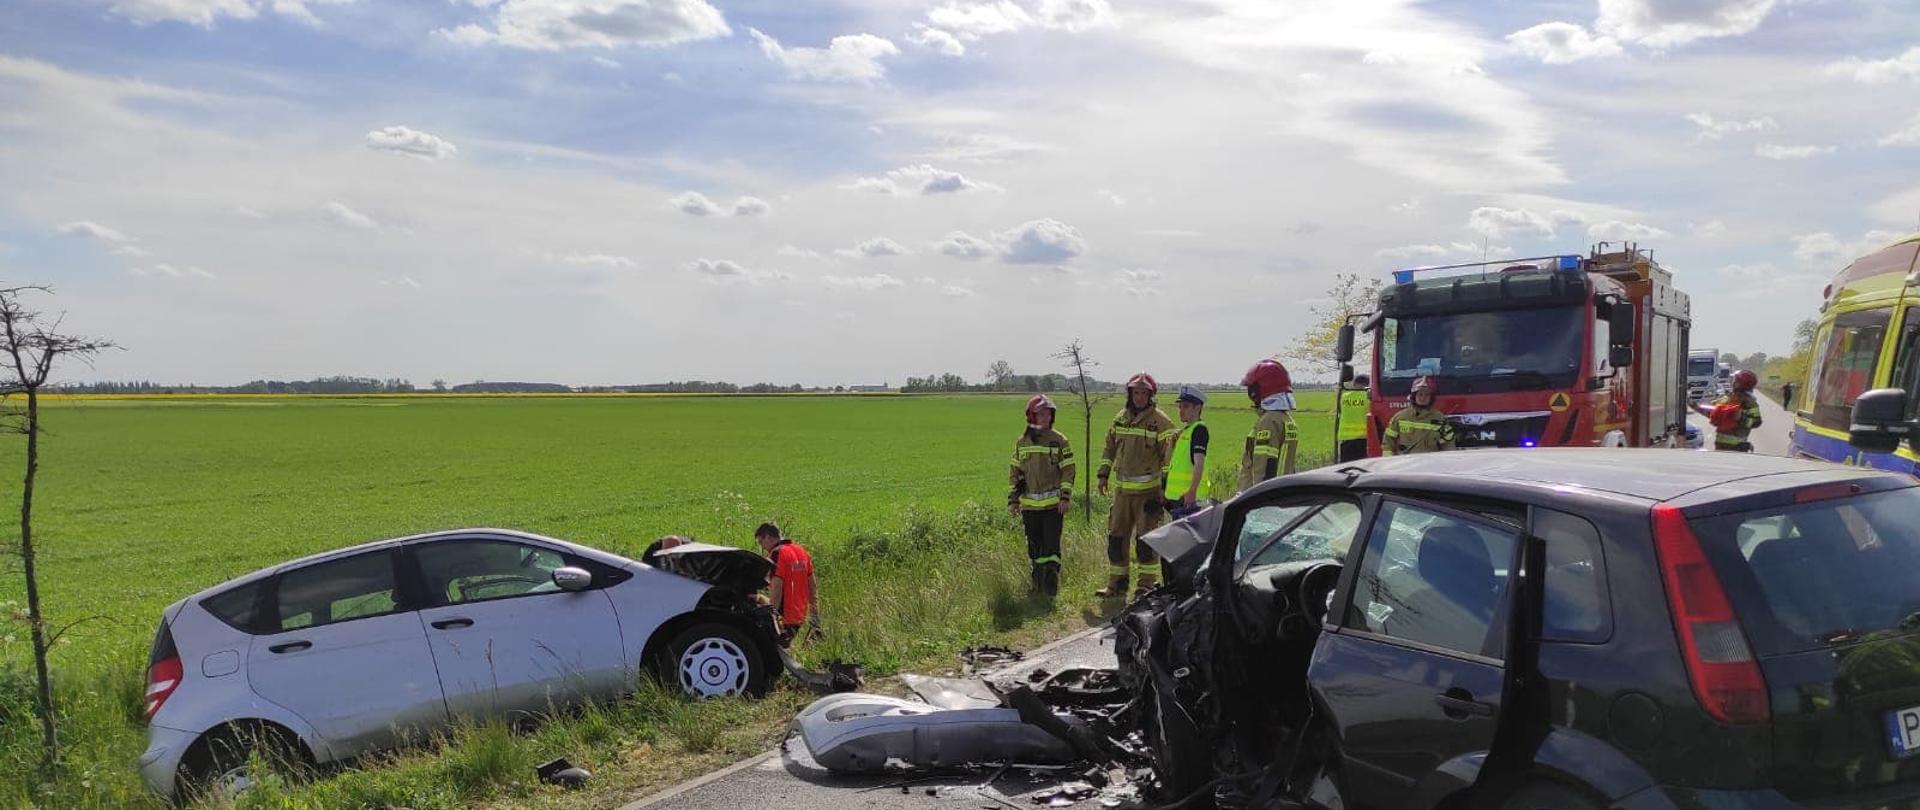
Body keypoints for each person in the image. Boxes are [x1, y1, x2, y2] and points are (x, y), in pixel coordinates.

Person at [1095, 373, 1176, 598]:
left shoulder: (1161, 422)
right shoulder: (1120, 418)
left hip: (1148, 495)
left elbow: (1168, 459)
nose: (1139, 397)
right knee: (1116, 540)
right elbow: (1108, 448)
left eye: (1143, 393)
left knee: (1146, 543)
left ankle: (1146, 587)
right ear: (1129, 394)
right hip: (1122, 493)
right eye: (1135, 392)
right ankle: (1116, 585)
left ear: (1150, 395)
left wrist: (1164, 490)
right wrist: (1103, 474)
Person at [1009, 395, 1074, 598]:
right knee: (1035, 547)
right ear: (1031, 416)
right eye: (1041, 414)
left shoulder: (1059, 440)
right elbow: (1016, 474)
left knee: (1051, 547)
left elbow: (1068, 470)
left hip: (1053, 507)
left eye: (1048, 413)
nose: (1045, 417)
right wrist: (1013, 500)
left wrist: (1065, 497)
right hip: (1030, 508)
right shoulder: (1022, 442)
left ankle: (1051, 588)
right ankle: (1036, 586)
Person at [1239, 359, 1300, 490]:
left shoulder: (1269, 421)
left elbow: (1264, 465)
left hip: (1265, 497)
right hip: (1283, 490)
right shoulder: (1286, 419)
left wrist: (1258, 496)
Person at [754, 522, 819, 646]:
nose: (763, 547)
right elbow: (812, 586)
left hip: (784, 615)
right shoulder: (802, 552)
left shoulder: (777, 554)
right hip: (800, 614)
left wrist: (773, 615)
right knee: (789, 649)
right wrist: (815, 617)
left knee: (777, 650)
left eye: (761, 542)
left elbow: (777, 587)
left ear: (768, 537)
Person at [1162, 386, 1211, 521]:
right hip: (1179, 499)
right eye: (1180, 407)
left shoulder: (1199, 430)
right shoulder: (1185, 432)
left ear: (1198, 408)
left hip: (1189, 500)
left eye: (1186, 406)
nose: (1181, 411)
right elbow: (1170, 463)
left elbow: (1199, 464)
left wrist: (1192, 491)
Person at [1694, 369, 1763, 452]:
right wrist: (1696, 407)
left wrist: (1741, 418)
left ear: (1741, 383)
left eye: (1735, 380)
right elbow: (1714, 413)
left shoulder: (1749, 402)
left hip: (1737, 446)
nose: (1732, 382)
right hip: (1720, 444)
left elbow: (1757, 422)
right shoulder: (1728, 398)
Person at [1383, 375, 1455, 455]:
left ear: (1431, 398)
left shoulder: (1440, 419)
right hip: (1405, 464)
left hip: (1431, 464)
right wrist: (1389, 463)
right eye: (1420, 394)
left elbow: (1448, 445)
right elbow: (1388, 443)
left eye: (1427, 395)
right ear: (1414, 396)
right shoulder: (1399, 418)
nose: (1423, 398)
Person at [1337, 374, 1372, 462]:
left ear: (1355, 384)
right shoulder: (1369, 397)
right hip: (1364, 439)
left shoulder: (1344, 397)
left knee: (1346, 468)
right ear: (1368, 384)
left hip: (1346, 439)